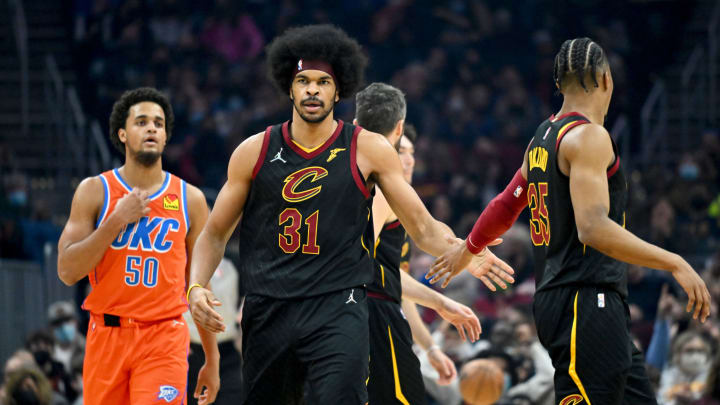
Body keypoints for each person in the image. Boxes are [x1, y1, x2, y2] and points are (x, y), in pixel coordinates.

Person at [186, 24, 514, 405]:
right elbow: (213, 234)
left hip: (338, 307)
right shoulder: (253, 151)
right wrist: (197, 286)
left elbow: (422, 226)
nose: (312, 89)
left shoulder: (368, 149)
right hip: (269, 306)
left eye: (322, 82)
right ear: (289, 88)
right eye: (303, 81)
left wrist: (465, 250)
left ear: (338, 89)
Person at [428, 37, 712, 404]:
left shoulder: (541, 138)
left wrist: (470, 248)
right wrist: (674, 261)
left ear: (558, 84)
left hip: (569, 301)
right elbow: (592, 228)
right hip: (584, 301)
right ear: (606, 80)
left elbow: (507, 203)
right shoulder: (589, 137)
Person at [56, 87, 219, 405]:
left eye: (158, 124)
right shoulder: (94, 191)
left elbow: (199, 285)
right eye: (141, 122)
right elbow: (66, 270)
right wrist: (116, 221)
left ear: (166, 136)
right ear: (122, 133)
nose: (151, 129)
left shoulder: (191, 200)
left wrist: (212, 361)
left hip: (163, 336)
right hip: (106, 335)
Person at [354, 83, 484, 404]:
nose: (408, 160)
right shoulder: (379, 191)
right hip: (367, 313)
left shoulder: (383, 195)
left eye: (412, 153)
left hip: (363, 311)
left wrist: (430, 347)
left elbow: (396, 286)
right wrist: (470, 253)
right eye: (401, 151)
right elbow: (365, 265)